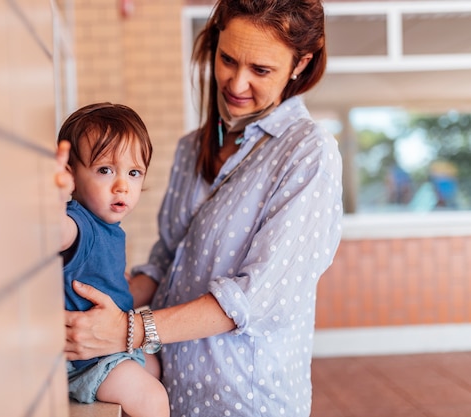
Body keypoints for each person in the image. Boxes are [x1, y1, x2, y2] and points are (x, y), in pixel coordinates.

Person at [64, 1, 344, 415]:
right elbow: (166, 263)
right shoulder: (191, 148)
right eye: (228, 58)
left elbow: (255, 298)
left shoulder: (309, 154)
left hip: (244, 400)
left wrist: (127, 330)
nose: (236, 82)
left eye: (261, 70)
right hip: (175, 389)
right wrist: (82, 302)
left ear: (300, 63)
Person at [54, 102, 169, 417]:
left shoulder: (108, 227)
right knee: (153, 398)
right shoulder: (79, 223)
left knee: (157, 365)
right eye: (105, 170)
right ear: (72, 175)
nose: (122, 185)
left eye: (134, 173)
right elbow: (57, 232)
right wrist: (51, 198)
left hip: (109, 347)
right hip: (86, 358)